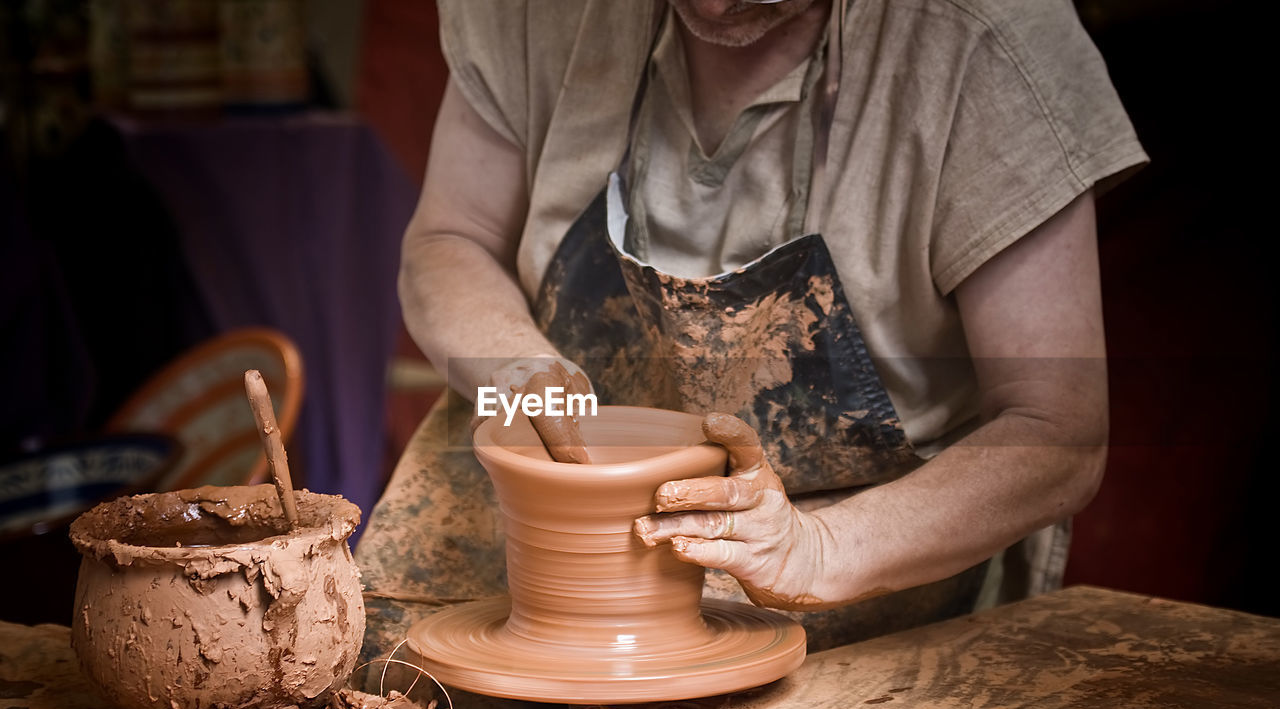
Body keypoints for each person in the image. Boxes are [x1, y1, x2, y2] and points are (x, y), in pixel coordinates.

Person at [355, 0, 1147, 660]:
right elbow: (448, 239)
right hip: (523, 541)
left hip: (841, 560)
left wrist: (816, 551)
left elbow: (1058, 431)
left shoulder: (986, 42)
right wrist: (515, 365)